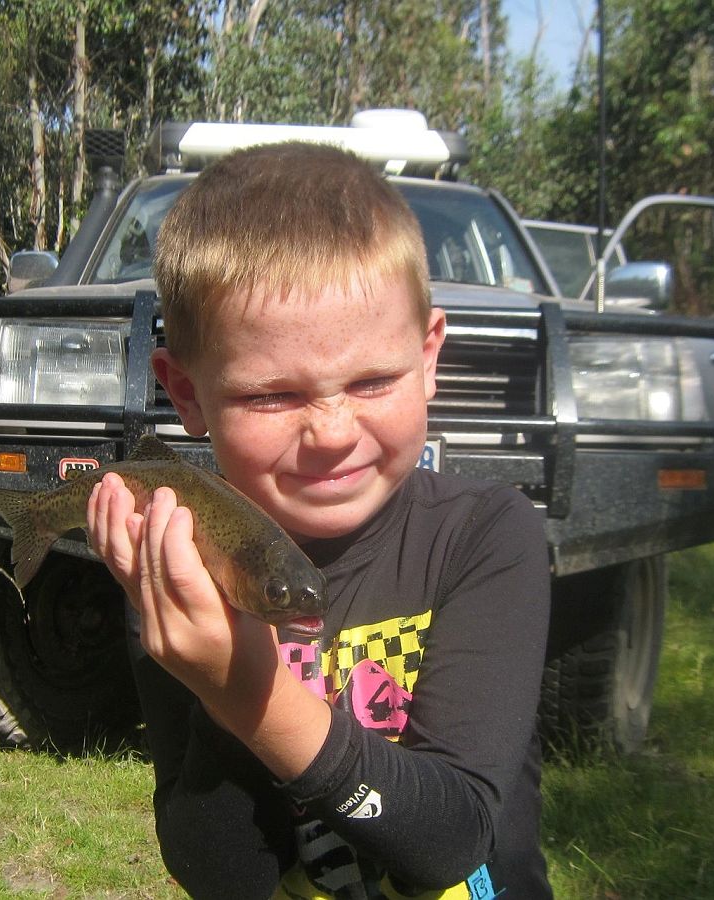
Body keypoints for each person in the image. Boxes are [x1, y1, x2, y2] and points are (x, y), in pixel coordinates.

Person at [87, 141, 552, 899]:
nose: (333, 431)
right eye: (272, 395)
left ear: (429, 355)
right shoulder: (178, 569)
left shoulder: (487, 538)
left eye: (373, 379)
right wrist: (207, 687)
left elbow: (452, 841)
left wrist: (247, 694)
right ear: (186, 393)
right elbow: (224, 876)